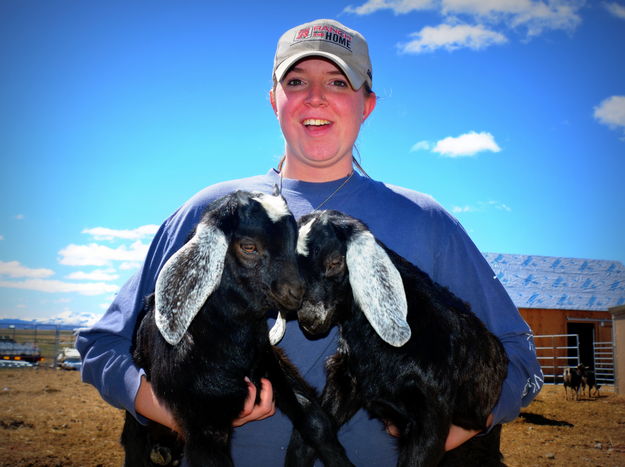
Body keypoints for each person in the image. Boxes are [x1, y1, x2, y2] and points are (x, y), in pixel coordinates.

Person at [77, 18, 543, 465]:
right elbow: (102, 347)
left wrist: (448, 429)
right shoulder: (212, 214)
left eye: (339, 83)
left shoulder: (426, 222)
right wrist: (180, 412)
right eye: (296, 82)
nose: (316, 97)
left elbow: (521, 360)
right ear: (274, 100)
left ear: (368, 104)